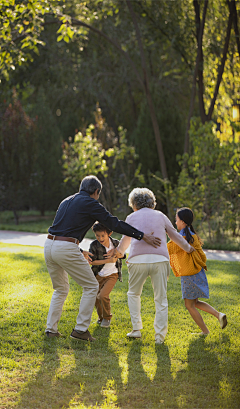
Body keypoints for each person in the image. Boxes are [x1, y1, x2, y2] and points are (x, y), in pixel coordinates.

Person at [44, 176, 161, 342]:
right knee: (91, 285)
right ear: (96, 192)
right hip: (66, 247)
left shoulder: (66, 201)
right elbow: (114, 224)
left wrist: (77, 249)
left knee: (60, 289)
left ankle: (51, 330)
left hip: (49, 245)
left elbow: (61, 230)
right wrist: (141, 236)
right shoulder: (90, 203)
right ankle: (80, 330)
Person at [115, 188, 195, 344]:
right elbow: (174, 235)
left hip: (137, 261)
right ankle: (159, 337)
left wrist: (119, 252)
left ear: (134, 203)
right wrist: (188, 248)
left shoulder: (131, 217)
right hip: (160, 260)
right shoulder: (160, 215)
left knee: (133, 294)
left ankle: (136, 329)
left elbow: (125, 240)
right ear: (152, 202)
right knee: (161, 298)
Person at [167, 207, 227, 335]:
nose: (175, 222)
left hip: (189, 275)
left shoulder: (182, 237)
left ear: (182, 221)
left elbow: (167, 249)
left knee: (189, 305)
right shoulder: (191, 235)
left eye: (176, 220)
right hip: (198, 273)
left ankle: (205, 331)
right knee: (195, 302)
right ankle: (218, 314)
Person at [89, 222, 125, 328]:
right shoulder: (94, 245)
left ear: (109, 233)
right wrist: (108, 260)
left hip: (112, 275)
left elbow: (123, 255)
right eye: (97, 235)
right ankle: (101, 318)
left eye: (102, 235)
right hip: (98, 275)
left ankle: (107, 318)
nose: (100, 238)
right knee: (96, 298)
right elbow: (92, 262)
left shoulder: (116, 243)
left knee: (103, 295)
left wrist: (117, 254)